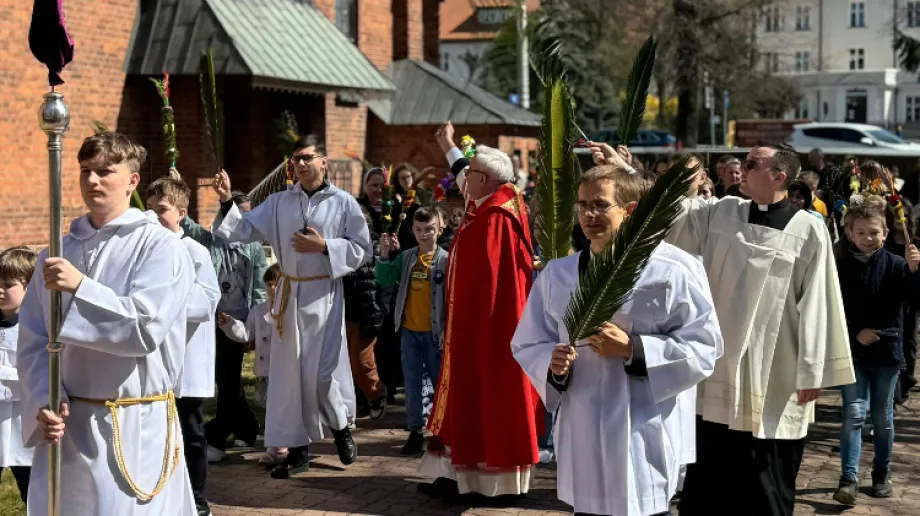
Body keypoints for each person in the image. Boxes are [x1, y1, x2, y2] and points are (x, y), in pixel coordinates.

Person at [593, 141, 854, 516]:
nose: (742, 170)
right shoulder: (721, 212)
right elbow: (669, 212)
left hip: (775, 366)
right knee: (712, 472)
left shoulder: (809, 229)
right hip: (718, 361)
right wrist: (625, 170)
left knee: (767, 476)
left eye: (751, 164)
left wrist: (812, 369)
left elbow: (821, 302)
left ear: (779, 176)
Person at [512, 165, 723, 516]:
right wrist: (552, 363)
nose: (588, 215)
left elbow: (705, 345)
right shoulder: (558, 274)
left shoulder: (673, 269)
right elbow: (528, 342)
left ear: (630, 210)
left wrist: (634, 349)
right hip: (583, 420)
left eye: (600, 204)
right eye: (582, 205)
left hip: (642, 421)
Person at [18, 132, 197, 515]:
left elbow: (144, 328)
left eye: (104, 171)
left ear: (133, 180)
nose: (92, 180)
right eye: (85, 171)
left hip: (134, 423)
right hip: (69, 423)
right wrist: (46, 399)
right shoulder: (56, 252)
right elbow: (33, 340)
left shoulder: (160, 246)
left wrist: (81, 287)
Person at [211, 134, 369, 479]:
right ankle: (298, 451)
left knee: (323, 375)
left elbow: (362, 249)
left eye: (307, 158)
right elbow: (243, 230)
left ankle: (341, 427)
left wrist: (325, 246)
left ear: (324, 161)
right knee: (290, 378)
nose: (300, 164)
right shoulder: (280, 201)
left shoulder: (343, 202)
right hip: (289, 295)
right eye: (295, 159)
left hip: (324, 295)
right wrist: (226, 199)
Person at [421, 126, 540, 500]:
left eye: (469, 175)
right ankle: (461, 475)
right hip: (471, 327)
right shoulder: (494, 202)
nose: (461, 181)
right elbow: (462, 173)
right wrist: (448, 146)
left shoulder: (494, 221)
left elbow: (487, 287)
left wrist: (467, 332)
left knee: (484, 395)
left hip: (486, 330)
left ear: (484, 179)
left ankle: (484, 482)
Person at [833, 196, 920, 504]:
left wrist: (915, 270)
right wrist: (856, 332)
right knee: (854, 414)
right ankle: (848, 478)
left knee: (882, 419)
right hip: (853, 351)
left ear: (885, 232)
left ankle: (881, 472)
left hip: (887, 353)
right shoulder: (839, 266)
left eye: (874, 232)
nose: (868, 238)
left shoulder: (897, 265)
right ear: (849, 234)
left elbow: (912, 304)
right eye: (861, 233)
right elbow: (833, 308)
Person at [147, 177, 221, 516]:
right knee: (155, 434)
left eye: (162, 209)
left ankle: (197, 497)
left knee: (190, 432)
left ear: (181, 212)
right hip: (152, 359)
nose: (154, 216)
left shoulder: (195, 251)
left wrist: (163, 301)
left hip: (187, 360)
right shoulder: (144, 252)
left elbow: (206, 302)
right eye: (148, 209)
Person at [178, 186, 267, 464]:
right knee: (225, 381)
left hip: (237, 322)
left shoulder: (254, 248)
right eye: (241, 216)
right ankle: (248, 430)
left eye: (249, 217)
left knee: (228, 382)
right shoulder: (213, 241)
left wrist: (254, 326)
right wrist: (180, 190)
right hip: (212, 321)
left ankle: (215, 438)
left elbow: (260, 289)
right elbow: (188, 226)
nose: (245, 223)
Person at [375, 207, 448, 455]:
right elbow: (384, 278)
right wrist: (384, 254)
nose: (424, 235)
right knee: (412, 382)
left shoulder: (447, 260)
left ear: (440, 228)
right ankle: (415, 430)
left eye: (429, 229)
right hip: (409, 331)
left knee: (440, 383)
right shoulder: (407, 257)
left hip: (436, 335)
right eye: (418, 230)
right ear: (412, 230)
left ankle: (441, 431)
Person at [218, 264, 289, 465]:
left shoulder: (290, 310)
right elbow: (247, 334)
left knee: (285, 406)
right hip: (267, 369)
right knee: (269, 406)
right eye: (268, 285)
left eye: (277, 285)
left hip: (286, 369)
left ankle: (280, 445)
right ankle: (274, 445)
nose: (272, 289)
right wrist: (230, 324)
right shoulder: (258, 311)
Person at [343, 206, 387, 419]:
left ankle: (376, 393)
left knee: (362, 363)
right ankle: (354, 405)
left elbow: (384, 282)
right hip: (343, 313)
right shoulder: (341, 246)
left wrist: (381, 309)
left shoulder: (376, 247)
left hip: (367, 313)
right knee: (344, 365)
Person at [0, 246, 36, 504]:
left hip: (27, 419)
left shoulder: (39, 328)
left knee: (32, 488)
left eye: (8, 285)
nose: (0, 290)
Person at [885, 198, 920, 403]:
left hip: (911, 302)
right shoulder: (884, 243)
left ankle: (907, 380)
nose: (902, 219)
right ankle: (894, 386)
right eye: (898, 215)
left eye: (905, 215)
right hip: (891, 301)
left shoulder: (915, 243)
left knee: (909, 341)